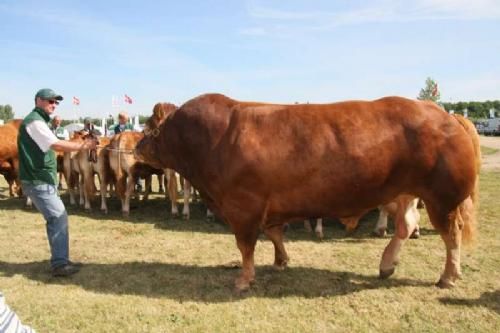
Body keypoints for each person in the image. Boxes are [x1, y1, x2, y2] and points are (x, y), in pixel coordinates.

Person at [18, 88, 96, 277]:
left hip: (42, 179)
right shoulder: (35, 122)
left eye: (55, 102)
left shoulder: (40, 121)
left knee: (56, 218)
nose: (53, 104)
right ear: (38, 101)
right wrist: (83, 145)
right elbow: (56, 144)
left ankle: (61, 259)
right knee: (58, 217)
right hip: (38, 180)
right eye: (49, 101)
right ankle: (60, 264)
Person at [113, 111, 142, 192]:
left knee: (135, 166)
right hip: (119, 152)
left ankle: (139, 184)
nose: (126, 120)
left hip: (130, 151)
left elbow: (139, 133)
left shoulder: (131, 126)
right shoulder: (115, 128)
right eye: (125, 119)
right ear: (120, 119)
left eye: (127, 119)